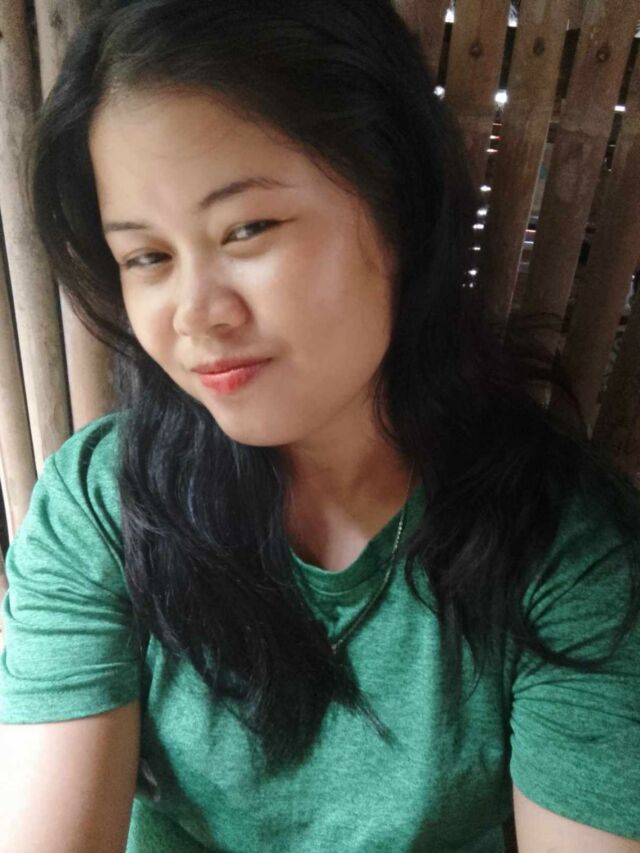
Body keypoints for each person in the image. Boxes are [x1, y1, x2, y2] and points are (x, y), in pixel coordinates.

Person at [0, 0, 639, 850]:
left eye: (247, 229)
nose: (195, 314)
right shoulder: (102, 507)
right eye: (147, 256)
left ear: (399, 205)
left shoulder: (567, 551)